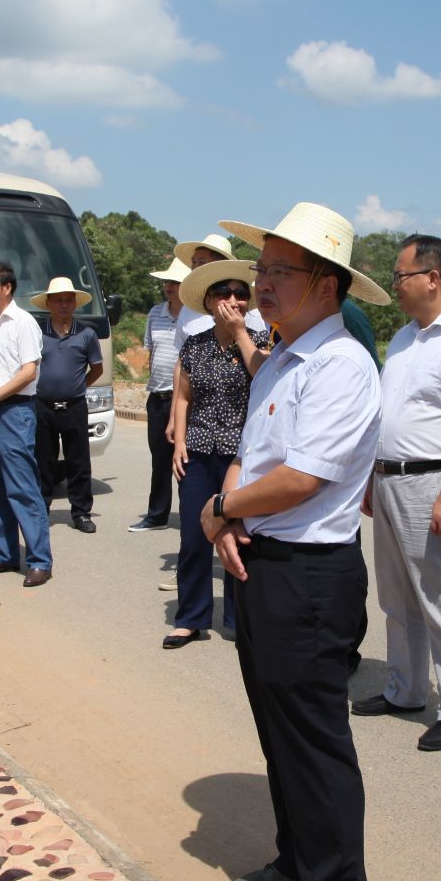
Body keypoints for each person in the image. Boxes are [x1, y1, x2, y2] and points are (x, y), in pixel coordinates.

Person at [200, 201, 390, 881]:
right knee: (278, 732)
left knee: (315, 742)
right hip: (263, 561)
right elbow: (256, 453)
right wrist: (233, 517)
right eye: (262, 269)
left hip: (311, 573)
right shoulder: (280, 355)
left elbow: (304, 478)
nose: (262, 284)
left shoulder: (343, 366)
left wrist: (220, 509)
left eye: (281, 272)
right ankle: (298, 860)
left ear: (328, 285)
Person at [354, 234, 441, 752]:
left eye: (401, 275)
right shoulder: (406, 339)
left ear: (432, 278)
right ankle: (406, 688)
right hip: (392, 479)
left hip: (433, 482)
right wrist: (374, 475)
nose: (395, 284)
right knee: (398, 598)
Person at [164, 259, 269, 649]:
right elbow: (184, 395)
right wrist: (179, 442)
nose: (233, 300)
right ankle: (190, 618)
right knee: (194, 537)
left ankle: (239, 619)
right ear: (209, 301)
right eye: (223, 293)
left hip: (242, 456)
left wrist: (241, 332)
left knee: (239, 538)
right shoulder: (196, 343)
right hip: (199, 450)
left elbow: (263, 376)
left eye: (241, 294)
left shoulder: (260, 341)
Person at [0, 260, 52, 586]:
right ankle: (4, 553)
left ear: (6, 288)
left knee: (22, 488)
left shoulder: (23, 322)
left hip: (13, 410)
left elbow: (28, 372)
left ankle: (39, 561)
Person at [30, 276, 103, 534]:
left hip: (74, 406)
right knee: (43, 461)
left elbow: (97, 368)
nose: (63, 305)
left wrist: (79, 385)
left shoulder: (86, 334)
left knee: (79, 461)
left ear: (75, 303)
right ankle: (41, 510)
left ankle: (81, 512)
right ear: (49, 303)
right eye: (58, 300)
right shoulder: (37, 332)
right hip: (43, 406)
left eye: (68, 300)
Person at [132, 257, 190, 532]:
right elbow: (152, 353)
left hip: (184, 399)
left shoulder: (194, 317)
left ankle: (191, 514)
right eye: (167, 281)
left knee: (185, 461)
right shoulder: (155, 313)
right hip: (157, 396)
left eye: (175, 282)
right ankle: (157, 515)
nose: (169, 286)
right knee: (159, 460)